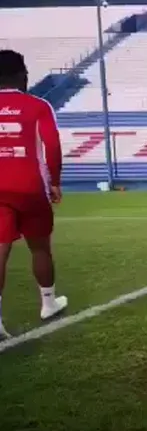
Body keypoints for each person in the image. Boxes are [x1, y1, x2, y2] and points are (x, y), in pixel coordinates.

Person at [0, 50, 68, 339]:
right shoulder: (38, 105)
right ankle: (48, 303)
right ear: (21, 75)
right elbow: (51, 146)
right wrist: (54, 182)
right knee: (40, 248)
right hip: (30, 187)